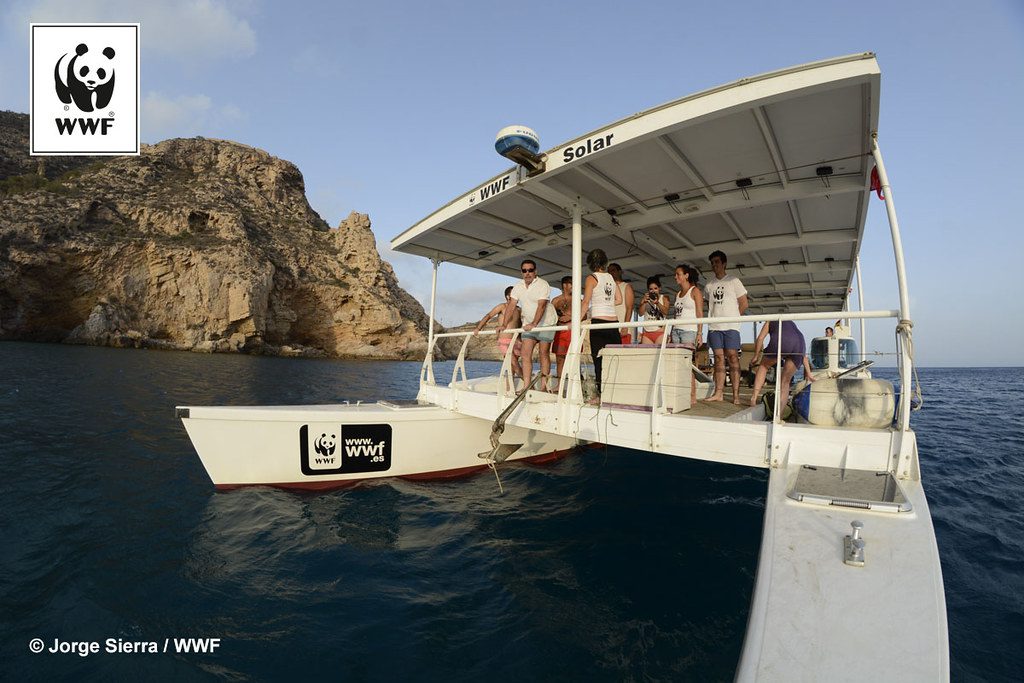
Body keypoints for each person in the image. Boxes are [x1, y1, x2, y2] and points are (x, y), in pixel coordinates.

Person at [498, 259, 556, 392]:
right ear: (521, 272)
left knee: (543, 353)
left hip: (546, 323)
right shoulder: (518, 286)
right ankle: (527, 386)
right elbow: (512, 306)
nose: (527, 273)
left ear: (535, 271)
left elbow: (541, 306)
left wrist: (534, 323)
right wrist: (504, 324)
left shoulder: (543, 284)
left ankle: (543, 388)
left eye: (530, 270)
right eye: (524, 270)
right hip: (528, 324)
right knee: (525, 354)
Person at [704, 250, 748, 404]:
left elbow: (744, 303)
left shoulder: (734, 281)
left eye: (717, 262)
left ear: (724, 263)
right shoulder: (709, 285)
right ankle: (719, 393)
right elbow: (708, 304)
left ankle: (736, 395)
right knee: (718, 359)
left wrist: (734, 320)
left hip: (731, 327)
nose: (714, 265)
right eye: (712, 263)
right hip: (714, 327)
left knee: (733, 358)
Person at [579, 248, 622, 398]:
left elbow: (585, 302)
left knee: (599, 360)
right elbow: (619, 300)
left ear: (590, 264)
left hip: (599, 322)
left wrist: (577, 321)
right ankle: (615, 393)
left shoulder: (591, 278)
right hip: (613, 323)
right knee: (614, 360)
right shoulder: (610, 277)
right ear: (605, 262)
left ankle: (601, 395)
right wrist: (606, 304)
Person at [749, 320, 815, 410]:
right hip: (800, 343)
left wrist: (756, 356)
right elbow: (803, 356)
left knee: (763, 366)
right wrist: (809, 373)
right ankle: (779, 416)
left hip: (784, 340)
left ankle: (754, 399)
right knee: (785, 382)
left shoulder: (770, 321)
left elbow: (760, 338)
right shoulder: (790, 323)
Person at [473, 286, 521, 377]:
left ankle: (509, 388)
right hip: (505, 341)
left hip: (516, 341)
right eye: (514, 294)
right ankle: (530, 387)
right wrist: (478, 328)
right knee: (514, 363)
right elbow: (489, 316)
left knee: (512, 366)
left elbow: (519, 324)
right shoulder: (502, 307)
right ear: (508, 296)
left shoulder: (518, 309)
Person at [550, 276, 574, 391]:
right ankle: (560, 385)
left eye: (571, 283)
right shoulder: (556, 300)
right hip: (559, 330)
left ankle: (573, 385)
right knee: (559, 358)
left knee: (573, 358)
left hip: (572, 330)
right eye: (569, 283)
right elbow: (550, 315)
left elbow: (584, 315)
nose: (571, 286)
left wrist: (570, 317)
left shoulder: (577, 300)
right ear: (564, 285)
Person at [670, 264, 703, 347]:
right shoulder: (677, 294)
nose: (675, 277)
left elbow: (699, 313)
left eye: (678, 274)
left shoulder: (695, 291)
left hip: (689, 331)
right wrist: (671, 332)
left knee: (686, 357)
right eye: (675, 274)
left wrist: (699, 333)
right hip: (675, 331)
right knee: (676, 358)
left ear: (686, 275)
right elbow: (675, 315)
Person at [607, 262, 635, 344]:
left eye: (613, 270)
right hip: (609, 328)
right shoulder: (607, 288)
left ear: (620, 272)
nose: (611, 273)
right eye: (609, 271)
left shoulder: (626, 286)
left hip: (622, 329)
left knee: (622, 355)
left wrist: (625, 326)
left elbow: (630, 308)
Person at [638, 276, 670, 344]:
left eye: (655, 288)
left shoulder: (664, 298)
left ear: (659, 288)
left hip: (660, 332)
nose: (653, 291)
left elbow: (666, 312)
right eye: (651, 289)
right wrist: (644, 302)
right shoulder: (645, 299)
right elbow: (640, 314)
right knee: (648, 354)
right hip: (647, 333)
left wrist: (657, 303)